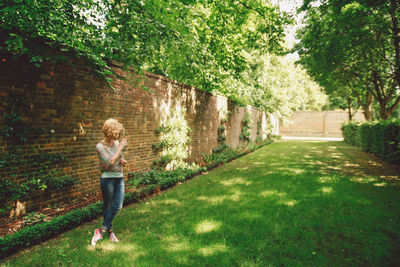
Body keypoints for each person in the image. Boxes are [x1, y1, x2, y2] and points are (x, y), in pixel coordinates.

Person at [91, 118, 128, 246]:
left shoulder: (116, 143)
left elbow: (118, 158)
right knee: (108, 206)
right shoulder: (100, 147)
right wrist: (120, 149)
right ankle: (110, 232)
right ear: (109, 132)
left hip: (119, 177)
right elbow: (109, 162)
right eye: (116, 133)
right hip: (107, 179)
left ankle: (101, 231)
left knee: (118, 206)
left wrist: (122, 160)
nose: (117, 136)